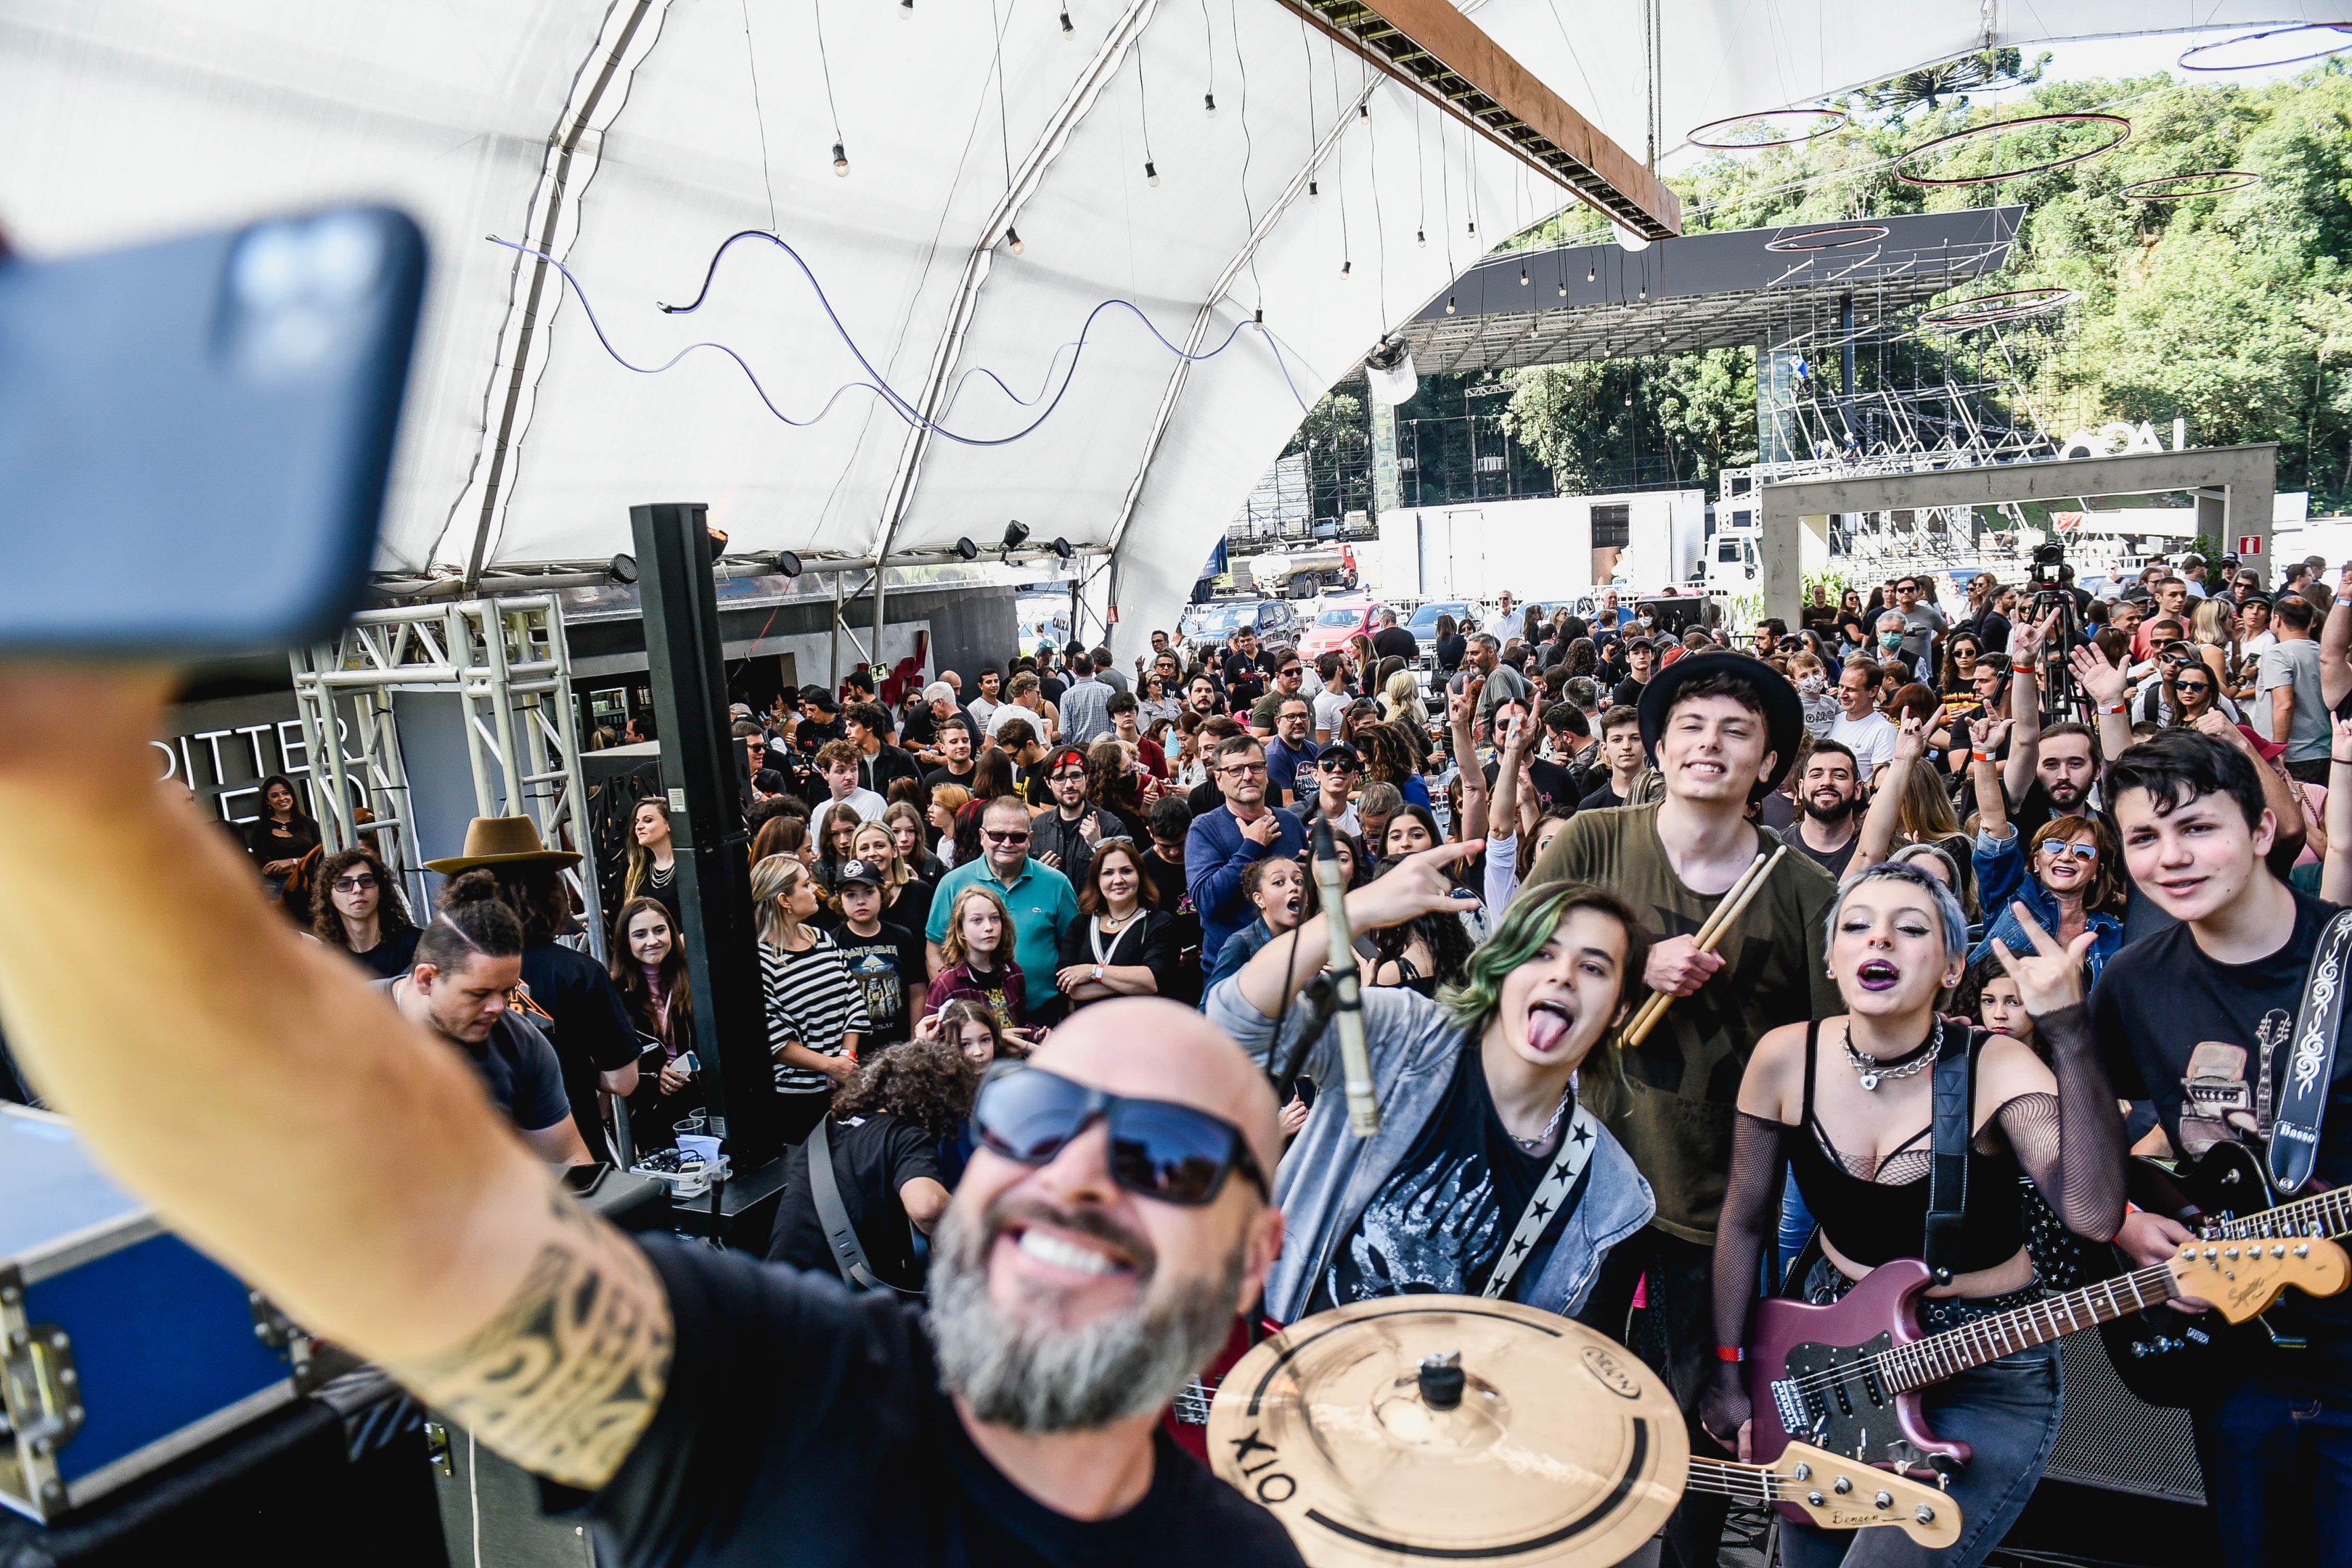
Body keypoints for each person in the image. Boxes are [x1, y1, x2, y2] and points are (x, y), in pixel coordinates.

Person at [1704, 863, 2123, 1568]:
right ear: (1834, 959)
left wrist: (2070, 1029)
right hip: (1828, 1351)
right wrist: (1729, 1371)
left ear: (1953, 965)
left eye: (1910, 928)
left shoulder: (1997, 1066)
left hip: (1983, 1363)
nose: (1882, 941)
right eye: (1859, 926)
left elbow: (2091, 1214)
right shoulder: (1785, 1059)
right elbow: (1744, 1222)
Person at [1526, 653, 1839, 1568]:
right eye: (1691, 727)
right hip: (1576, 1176)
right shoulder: (1591, 841)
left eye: (1736, 732)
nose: (1710, 745)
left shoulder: (1804, 894)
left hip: (1717, 1200)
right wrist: (1629, 963)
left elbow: (1824, 1062)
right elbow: (1507, 973)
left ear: (1769, 765)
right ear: (1658, 747)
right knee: (1559, 1385)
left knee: (1699, 1409)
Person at [1217, 851, 1658, 1322]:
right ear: (1503, 967)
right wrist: (1354, 912)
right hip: (1287, 1366)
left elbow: (1539, 1357)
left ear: (1619, 1009)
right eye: (1542, 953)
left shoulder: (1605, 1188)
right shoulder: (1404, 1035)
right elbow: (1236, 1025)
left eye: (1593, 968)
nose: (1562, 975)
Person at [425, 817, 640, 1165]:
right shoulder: (578, 972)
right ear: (547, 892)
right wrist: (568, 1068)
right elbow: (623, 1080)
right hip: (569, 1155)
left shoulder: (437, 973)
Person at [377, 871, 593, 1162]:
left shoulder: (522, 1044)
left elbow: (569, 1162)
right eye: (479, 994)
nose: (498, 1007)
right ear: (427, 979)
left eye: (506, 992)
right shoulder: (336, 1024)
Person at [764, 1033, 968, 1296]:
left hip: (776, 1288)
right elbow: (926, 1207)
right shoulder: (906, 1136)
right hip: (828, 1302)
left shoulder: (829, 1126)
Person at [928, 796, 1080, 1021]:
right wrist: (953, 1000)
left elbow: (1073, 947)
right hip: (972, 1024)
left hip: (1045, 1015)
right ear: (982, 836)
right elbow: (935, 948)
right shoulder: (953, 884)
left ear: (1030, 839)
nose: (1007, 844)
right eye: (997, 835)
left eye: (1017, 837)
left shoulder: (1056, 883)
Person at [752, 852, 869, 1146]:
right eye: (805, 885)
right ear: (784, 900)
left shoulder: (824, 939)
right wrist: (827, 1066)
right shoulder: (760, 960)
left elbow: (854, 1002)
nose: (815, 889)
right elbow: (774, 1038)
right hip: (795, 1102)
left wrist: (844, 1059)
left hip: (843, 1085)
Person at [1183, 735, 1307, 968]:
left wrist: (1313, 874)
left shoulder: (1289, 821)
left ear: (1266, 772)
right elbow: (1205, 901)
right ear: (1219, 779)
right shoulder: (1205, 828)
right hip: (1233, 970)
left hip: (1293, 963)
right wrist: (1251, 846)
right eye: (1236, 770)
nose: (1248, 776)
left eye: (1256, 767)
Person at [611, 894, 701, 1150]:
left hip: (702, 1100)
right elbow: (608, 1060)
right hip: (652, 1110)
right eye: (640, 934)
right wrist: (653, 1075)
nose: (653, 941)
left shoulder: (695, 977)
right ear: (625, 941)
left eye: (660, 930)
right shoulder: (614, 991)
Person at [1055, 838, 1176, 1010]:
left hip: (1141, 1027)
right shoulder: (1081, 924)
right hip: (1090, 1028)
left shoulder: (1159, 923)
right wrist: (1131, 983)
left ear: (1140, 875)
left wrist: (1092, 972)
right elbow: (1071, 987)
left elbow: (1151, 982)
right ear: (1097, 879)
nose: (1118, 880)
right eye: (1108, 873)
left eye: (1126, 871)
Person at [822, 856, 928, 1050]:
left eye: (869, 892)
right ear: (839, 900)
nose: (861, 901)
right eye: (851, 895)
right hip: (856, 1047)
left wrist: (915, 1038)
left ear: (882, 893)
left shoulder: (902, 936)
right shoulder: (832, 942)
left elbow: (917, 991)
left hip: (899, 1042)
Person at [927, 883, 1030, 1034]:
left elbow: (1023, 1022)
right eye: (977, 920)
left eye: (995, 918)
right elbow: (935, 1042)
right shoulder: (946, 984)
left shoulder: (1014, 972)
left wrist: (1037, 1034)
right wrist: (998, 1039)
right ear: (961, 930)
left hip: (1016, 1057)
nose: (989, 927)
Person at [310, 843, 420, 979]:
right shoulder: (324, 959)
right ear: (329, 896)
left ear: (380, 889)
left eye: (367, 881)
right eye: (344, 884)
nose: (358, 889)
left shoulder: (415, 944)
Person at [1202, 854, 1307, 993]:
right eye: (1279, 882)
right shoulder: (1241, 944)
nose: (1293, 887)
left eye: (1299, 881)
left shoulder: (1310, 939)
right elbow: (1210, 1006)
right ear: (1259, 899)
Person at [2259, 592, 2330, 781]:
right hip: (2323, 750)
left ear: (2277, 619)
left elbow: (2284, 704)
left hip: (2295, 755)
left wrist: (2279, 748)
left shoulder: (2279, 654)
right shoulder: (2324, 653)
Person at [1031, 746, 1121, 887]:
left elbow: (1125, 876)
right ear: (1048, 783)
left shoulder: (1111, 825)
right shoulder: (1038, 827)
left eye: (1076, 776)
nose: (1069, 785)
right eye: (1059, 778)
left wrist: (1098, 846)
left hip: (1092, 908)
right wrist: (1036, 873)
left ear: (1087, 777)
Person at [1785, 737, 1863, 877]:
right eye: (1816, 775)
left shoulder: (1881, 850)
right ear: (1801, 788)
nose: (1827, 782)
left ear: (1858, 790)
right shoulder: (1775, 848)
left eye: (1839, 775)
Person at [242, 773, 321, 903]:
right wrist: (304, 862)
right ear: (268, 801)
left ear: (292, 796)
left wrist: (292, 862)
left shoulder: (309, 823)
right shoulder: (261, 828)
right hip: (278, 889)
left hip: (311, 883)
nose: (282, 798)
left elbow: (320, 857)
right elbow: (267, 867)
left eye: (286, 793)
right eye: (275, 796)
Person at [1824, 658, 1898, 782]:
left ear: (1873, 691)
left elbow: (1881, 783)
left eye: (1851, 689)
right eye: (1841, 687)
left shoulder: (1884, 730)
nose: (1842, 694)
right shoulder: (1835, 718)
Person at [811, 739, 889, 849]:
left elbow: (870, 848)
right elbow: (816, 852)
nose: (850, 777)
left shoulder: (871, 800)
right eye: (841, 771)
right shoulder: (819, 811)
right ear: (825, 774)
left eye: (853, 769)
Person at [844, 701, 923, 801]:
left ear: (869, 726)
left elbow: (920, 792)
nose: (846, 731)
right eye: (847, 726)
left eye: (852, 725)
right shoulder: (849, 760)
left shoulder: (900, 758)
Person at [1578, 704, 1647, 812]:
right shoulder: (1591, 808)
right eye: (1617, 740)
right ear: (1604, 749)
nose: (1626, 746)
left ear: (1647, 744)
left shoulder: (1667, 797)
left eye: (1634, 738)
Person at [1262, 693, 1319, 809]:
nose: (1299, 721)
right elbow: (1289, 807)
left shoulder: (1313, 748)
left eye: (1303, 715)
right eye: (1291, 716)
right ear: (1278, 722)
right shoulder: (1274, 756)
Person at [923, 714, 977, 795]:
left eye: (965, 741)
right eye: (954, 742)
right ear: (942, 748)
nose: (961, 745)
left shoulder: (986, 773)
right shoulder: (933, 780)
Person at [1612, 636, 1657, 709]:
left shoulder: (1659, 684)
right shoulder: (1623, 691)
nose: (1642, 656)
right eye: (1636, 653)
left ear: (1653, 655)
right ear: (1628, 658)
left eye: (1646, 652)